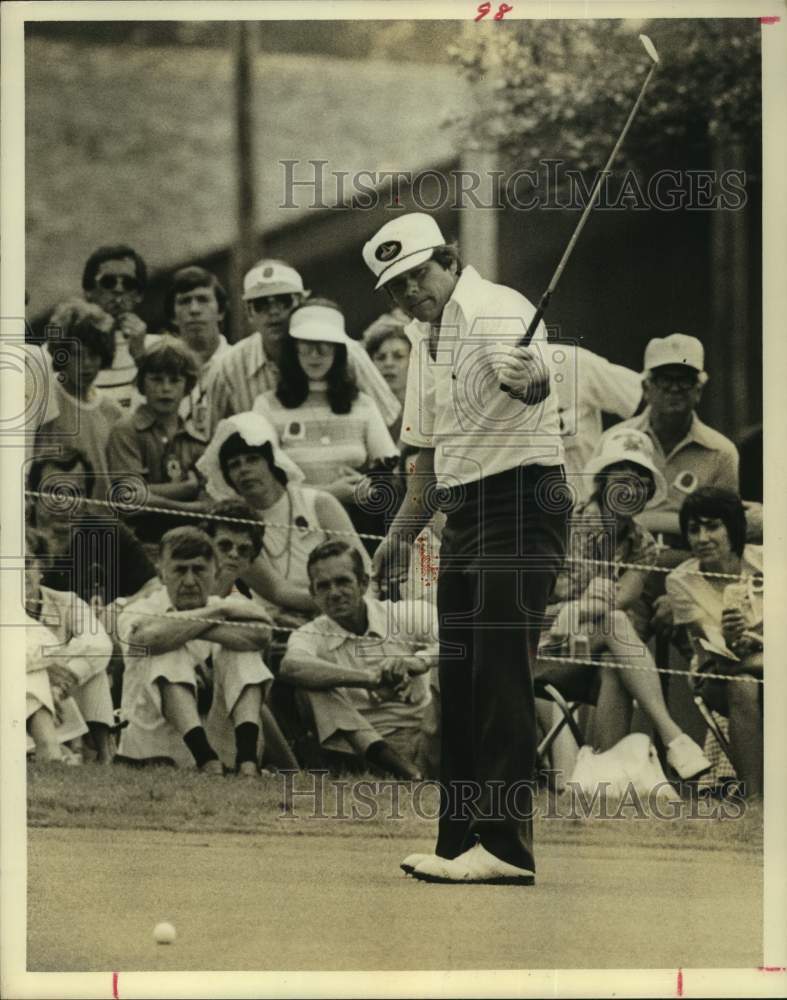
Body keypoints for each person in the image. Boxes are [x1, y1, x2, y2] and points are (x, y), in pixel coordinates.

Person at [366, 212, 568, 885]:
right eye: (394, 287)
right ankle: (458, 841)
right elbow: (422, 458)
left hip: (523, 501)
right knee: (458, 676)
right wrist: (398, 539)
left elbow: (534, 372)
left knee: (498, 674)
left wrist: (529, 378)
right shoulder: (423, 340)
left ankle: (506, 848)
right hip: (466, 512)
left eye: (417, 275)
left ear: (447, 260)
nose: (408, 293)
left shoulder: (492, 308)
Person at [536, 429, 711, 776]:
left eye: (641, 479)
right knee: (616, 625)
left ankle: (600, 777)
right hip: (539, 644)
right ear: (602, 481)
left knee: (615, 663)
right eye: (622, 475)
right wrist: (584, 607)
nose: (631, 486)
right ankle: (673, 737)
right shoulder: (563, 522)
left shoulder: (643, 543)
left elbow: (621, 598)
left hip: (591, 647)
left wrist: (587, 606)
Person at [117, 527, 274, 774]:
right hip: (155, 752)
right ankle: (206, 759)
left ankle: (247, 761)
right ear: (162, 572)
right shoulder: (141, 609)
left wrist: (186, 624)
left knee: (241, 650)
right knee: (167, 650)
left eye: (199, 570)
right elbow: (147, 639)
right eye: (180, 570)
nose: (189, 581)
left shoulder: (233, 605)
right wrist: (217, 615)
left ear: (215, 571)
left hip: (223, 746)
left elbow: (262, 634)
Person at [280, 540, 437, 780]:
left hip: (425, 735)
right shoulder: (310, 634)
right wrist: (369, 679)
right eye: (323, 586)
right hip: (360, 749)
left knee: (456, 665)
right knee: (308, 685)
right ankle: (395, 765)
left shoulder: (404, 613)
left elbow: (461, 639)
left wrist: (417, 661)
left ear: (363, 583)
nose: (334, 593)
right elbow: (290, 666)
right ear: (313, 594)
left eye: (343, 581)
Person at [197, 412, 368, 627]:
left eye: (252, 459)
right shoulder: (236, 527)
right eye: (234, 465)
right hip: (280, 622)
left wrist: (347, 605)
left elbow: (363, 568)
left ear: (271, 462)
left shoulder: (320, 503)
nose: (244, 470)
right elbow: (279, 592)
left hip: (344, 606)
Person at [209, 259, 401, 430]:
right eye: (261, 304)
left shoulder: (345, 351)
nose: (274, 311)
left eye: (283, 301)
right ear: (249, 312)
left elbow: (390, 421)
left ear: (301, 303)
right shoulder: (229, 368)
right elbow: (210, 441)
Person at [253, 299, 398, 517]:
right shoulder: (266, 405)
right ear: (294, 348)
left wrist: (369, 486)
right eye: (306, 344)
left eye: (324, 345)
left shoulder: (362, 404)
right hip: (293, 522)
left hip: (356, 522)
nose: (314, 354)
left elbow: (391, 468)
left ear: (338, 350)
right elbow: (262, 482)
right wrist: (329, 493)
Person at [666, 488, 763, 797]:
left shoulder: (768, 560)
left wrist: (755, 638)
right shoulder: (680, 581)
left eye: (712, 526)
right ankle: (754, 798)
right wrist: (734, 638)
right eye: (693, 530)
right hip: (718, 671)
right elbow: (713, 647)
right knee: (742, 684)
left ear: (733, 527)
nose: (702, 538)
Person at [201, 500, 300, 771]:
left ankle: (251, 765)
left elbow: (251, 691)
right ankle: (278, 768)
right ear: (206, 545)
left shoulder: (245, 605)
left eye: (243, 550)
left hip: (219, 722)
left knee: (245, 665)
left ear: (250, 561)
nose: (233, 554)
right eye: (224, 545)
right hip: (175, 716)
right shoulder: (178, 588)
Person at [106, 337, 209, 542]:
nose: (165, 388)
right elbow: (129, 500)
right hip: (141, 545)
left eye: (174, 380)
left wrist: (150, 493)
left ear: (187, 386)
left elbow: (210, 505)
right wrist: (185, 491)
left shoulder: (196, 438)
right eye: (156, 379)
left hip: (189, 546)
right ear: (142, 383)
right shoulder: (127, 430)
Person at [25, 530, 115, 763]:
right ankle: (53, 750)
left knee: (95, 670)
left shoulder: (66, 601)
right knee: (32, 676)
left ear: (41, 567)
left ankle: (102, 755)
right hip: (24, 698)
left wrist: (63, 680)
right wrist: (45, 667)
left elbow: (100, 644)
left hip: (61, 693)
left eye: (27, 563)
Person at [26, 449, 158, 607]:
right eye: (52, 492)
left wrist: (121, 606)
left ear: (87, 498)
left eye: (75, 493)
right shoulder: (16, 538)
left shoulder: (110, 533)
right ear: (33, 495)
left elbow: (154, 586)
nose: (65, 504)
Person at [35, 299, 123, 491]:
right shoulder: (46, 397)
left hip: (102, 516)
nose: (86, 364)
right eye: (77, 354)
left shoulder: (112, 409)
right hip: (57, 513)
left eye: (93, 355)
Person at [155, 266, 233, 440]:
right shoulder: (159, 369)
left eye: (203, 299)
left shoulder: (238, 363)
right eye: (184, 301)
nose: (194, 309)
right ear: (173, 316)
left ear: (220, 312)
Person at [550, 343, 643, 483]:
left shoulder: (574, 362)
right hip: (516, 497)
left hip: (581, 496)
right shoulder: (504, 382)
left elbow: (644, 399)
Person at [82, 244, 149, 411]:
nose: (119, 290)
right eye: (108, 282)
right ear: (89, 290)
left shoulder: (157, 348)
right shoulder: (66, 347)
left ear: (138, 295)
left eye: (128, 283)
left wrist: (141, 356)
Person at [364, 313, 411, 442]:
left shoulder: (425, 410)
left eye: (398, 356)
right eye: (380, 357)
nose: (388, 364)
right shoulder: (365, 409)